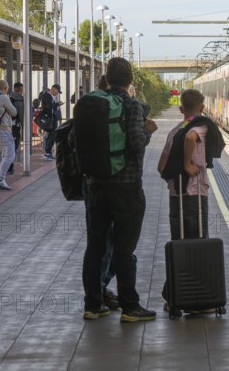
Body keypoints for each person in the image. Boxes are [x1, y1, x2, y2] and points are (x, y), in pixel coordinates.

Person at [81, 57, 158, 322]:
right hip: (126, 188)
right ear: (130, 81)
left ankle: (93, 304)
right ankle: (130, 307)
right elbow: (136, 143)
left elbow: (72, 139)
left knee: (95, 247)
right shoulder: (131, 104)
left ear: (108, 78)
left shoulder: (92, 103)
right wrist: (148, 132)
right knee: (125, 250)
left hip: (95, 186)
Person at [158, 89, 225, 313]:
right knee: (198, 242)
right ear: (202, 108)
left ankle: (174, 297)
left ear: (180, 109)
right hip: (194, 195)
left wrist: (177, 168)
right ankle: (200, 301)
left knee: (179, 242)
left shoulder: (174, 131)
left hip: (175, 195)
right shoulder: (201, 127)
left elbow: (161, 167)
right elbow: (191, 137)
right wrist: (187, 164)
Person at [0, 81, 18, 190]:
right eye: (7, 88)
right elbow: (14, 112)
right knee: (9, 155)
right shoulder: (3, 97)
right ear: (4, 88)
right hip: (3, 129)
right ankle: (0, 179)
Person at [41, 83, 62, 161]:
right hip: (49, 118)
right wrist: (57, 104)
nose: (57, 93)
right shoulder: (47, 96)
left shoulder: (51, 96)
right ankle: (47, 152)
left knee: (51, 134)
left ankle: (48, 152)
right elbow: (49, 106)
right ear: (53, 89)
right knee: (52, 134)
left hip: (52, 118)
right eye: (57, 91)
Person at [7, 82, 24, 175]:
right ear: (16, 89)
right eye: (21, 89)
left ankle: (9, 167)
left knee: (14, 146)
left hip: (16, 125)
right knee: (12, 147)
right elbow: (13, 113)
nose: (22, 91)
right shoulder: (13, 99)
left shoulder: (19, 98)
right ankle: (9, 167)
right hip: (13, 126)